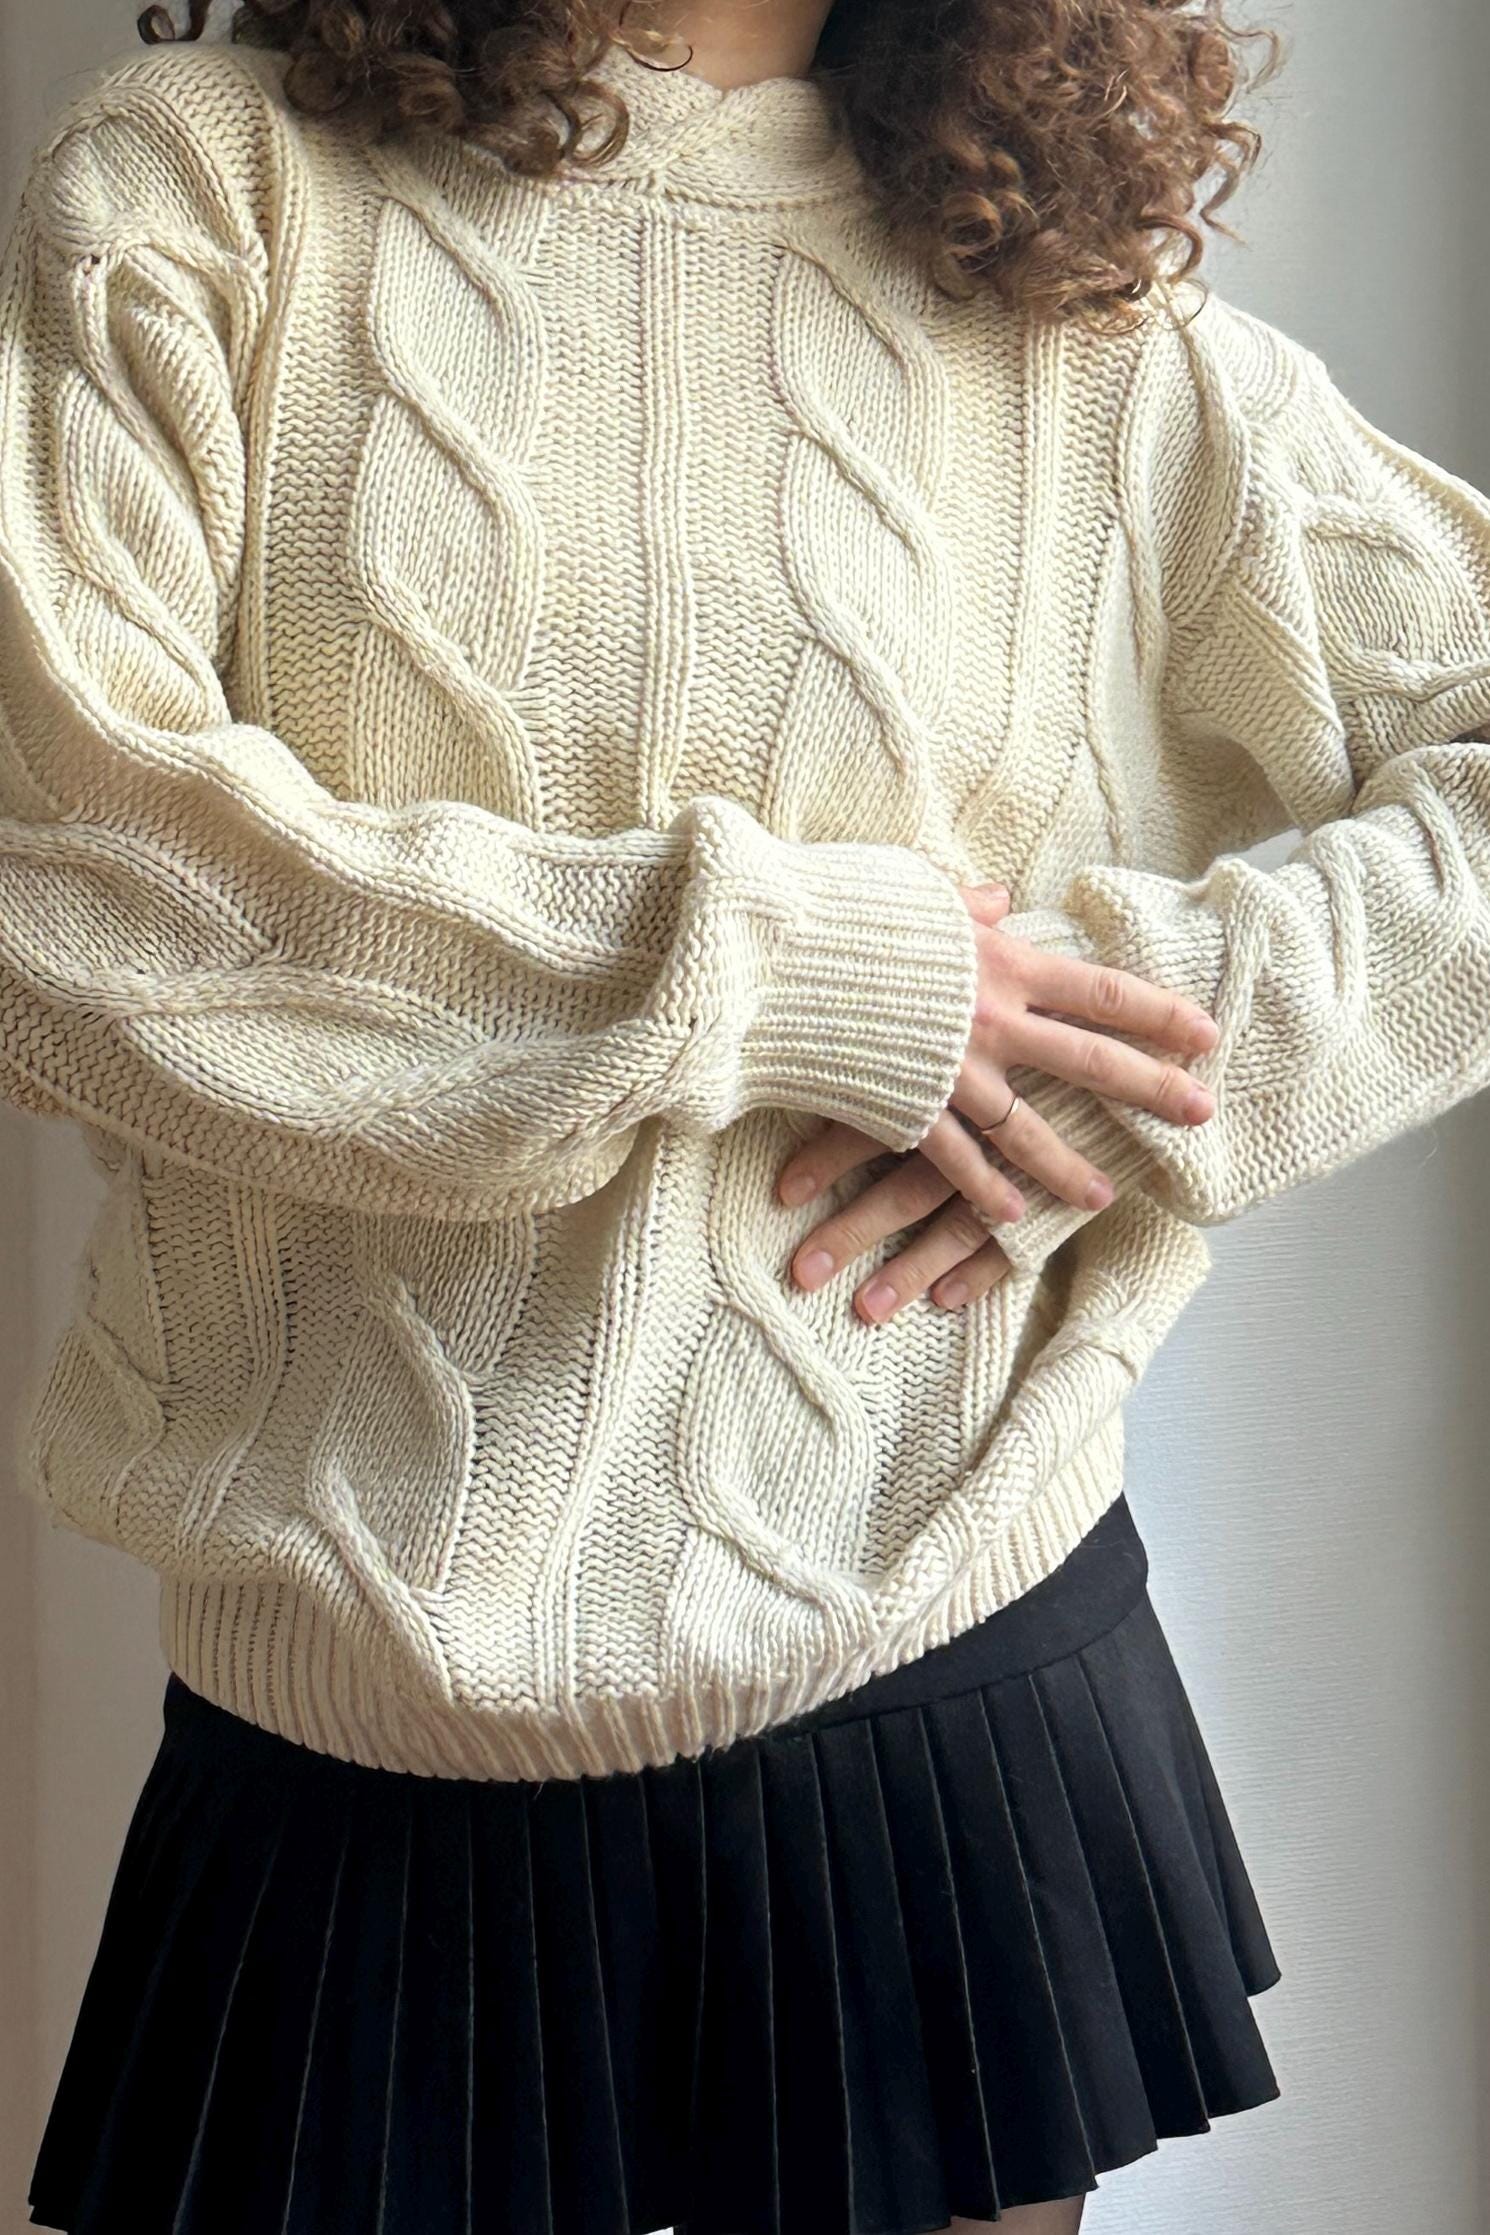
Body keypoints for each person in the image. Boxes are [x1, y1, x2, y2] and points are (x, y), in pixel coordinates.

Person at [6, 0, 1490, 2228]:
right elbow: (70, 883)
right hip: (351, 1723)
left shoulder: (1067, 297)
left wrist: (1128, 1041)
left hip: (940, 1656)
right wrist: (807, 977)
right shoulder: (203, 186)